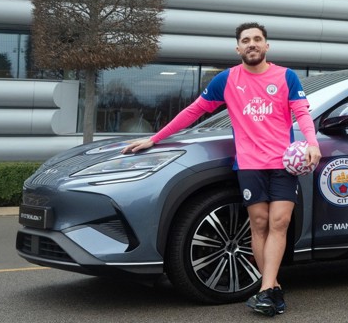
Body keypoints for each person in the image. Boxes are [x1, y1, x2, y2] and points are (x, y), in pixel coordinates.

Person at [122, 22, 320, 316]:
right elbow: (194, 111)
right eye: (246, 40)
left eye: (257, 39)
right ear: (238, 48)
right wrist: (155, 138)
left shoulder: (286, 77)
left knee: (280, 223)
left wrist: (312, 143)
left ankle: (266, 290)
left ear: (266, 46)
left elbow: (302, 113)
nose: (252, 44)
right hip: (250, 163)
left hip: (283, 163)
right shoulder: (227, 80)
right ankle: (272, 289)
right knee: (260, 224)